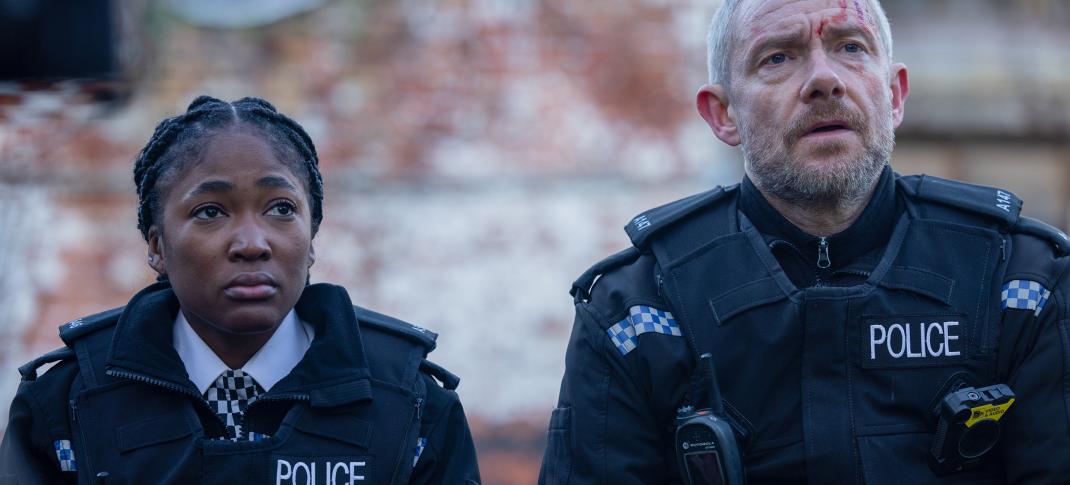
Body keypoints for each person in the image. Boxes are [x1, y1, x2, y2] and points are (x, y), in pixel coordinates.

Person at [539, 0, 1070, 483]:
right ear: (723, 115)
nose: (823, 79)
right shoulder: (638, 313)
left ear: (894, 94)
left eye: (850, 47)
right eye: (777, 58)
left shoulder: (1018, 283)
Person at [0, 96, 481, 484]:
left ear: (312, 238)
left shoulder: (409, 401)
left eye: (281, 209)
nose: (253, 244)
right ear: (157, 248)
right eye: (210, 211)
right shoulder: (67, 405)